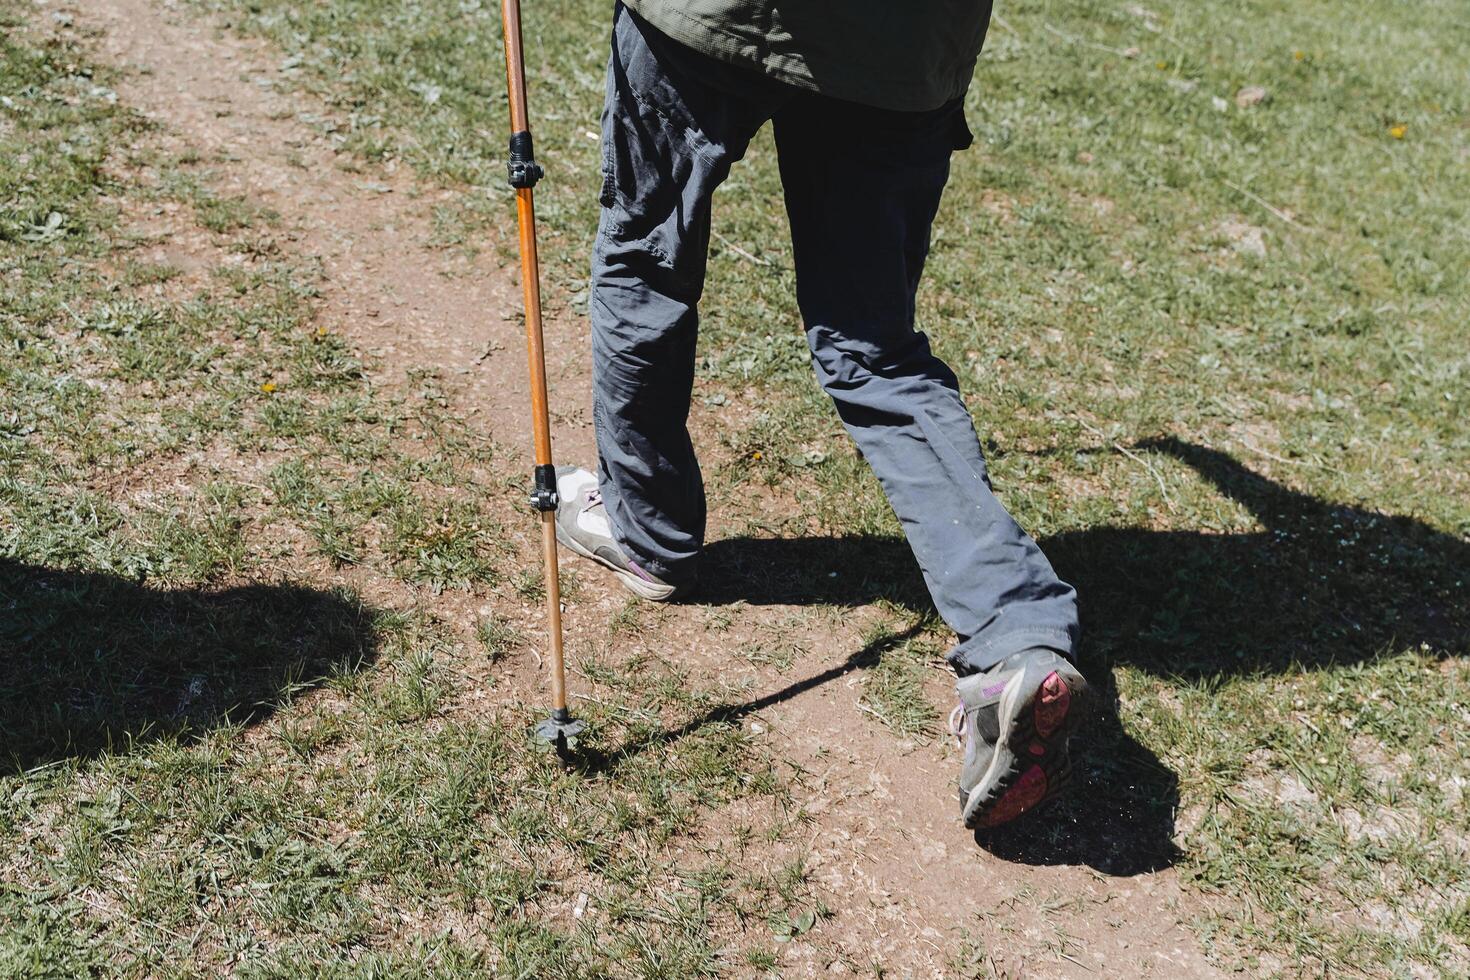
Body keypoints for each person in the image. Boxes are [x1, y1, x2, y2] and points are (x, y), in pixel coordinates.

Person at [553, 1, 1088, 829]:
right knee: (873, 350)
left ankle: (646, 532)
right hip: (900, 46)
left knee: (646, 264)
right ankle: (1015, 637)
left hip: (709, 19)